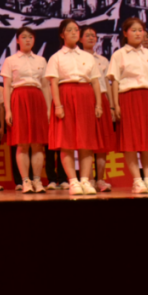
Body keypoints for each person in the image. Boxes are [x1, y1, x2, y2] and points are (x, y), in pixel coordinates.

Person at [108, 17, 148, 194]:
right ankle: (137, 180)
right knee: (131, 141)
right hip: (128, 98)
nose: (137, 33)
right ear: (125, 33)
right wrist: (115, 105)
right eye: (133, 30)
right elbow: (115, 81)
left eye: (140, 30)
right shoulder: (119, 54)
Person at [45, 20, 105, 195]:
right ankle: (73, 181)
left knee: (86, 141)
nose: (73, 32)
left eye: (76, 30)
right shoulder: (56, 57)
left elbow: (95, 81)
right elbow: (54, 83)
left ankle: (85, 180)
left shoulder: (87, 56)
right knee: (67, 142)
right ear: (62, 34)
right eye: (69, 30)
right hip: (65, 96)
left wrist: (98, 104)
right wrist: (58, 105)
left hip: (85, 96)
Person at [2, 27, 50, 194]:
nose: (28, 40)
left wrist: (48, 109)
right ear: (17, 40)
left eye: (31, 37)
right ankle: (25, 181)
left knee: (37, 143)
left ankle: (37, 180)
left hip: (37, 98)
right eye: (24, 37)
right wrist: (8, 110)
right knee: (22, 143)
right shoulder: (10, 60)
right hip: (19, 98)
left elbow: (45, 86)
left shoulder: (41, 60)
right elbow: (7, 86)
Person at [79, 26, 117, 192]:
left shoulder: (103, 60)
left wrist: (112, 105)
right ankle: (88, 180)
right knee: (86, 141)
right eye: (87, 35)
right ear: (80, 39)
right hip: (85, 99)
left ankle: (100, 179)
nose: (90, 38)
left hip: (102, 98)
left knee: (103, 143)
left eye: (93, 35)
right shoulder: (77, 58)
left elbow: (107, 84)